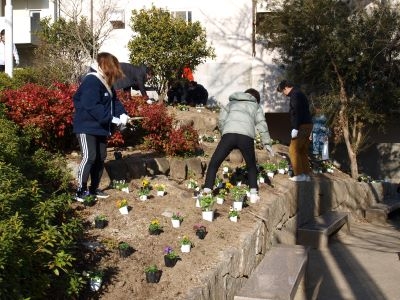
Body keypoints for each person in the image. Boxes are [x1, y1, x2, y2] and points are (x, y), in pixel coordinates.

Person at [73, 52, 130, 201]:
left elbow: (114, 102)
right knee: (89, 156)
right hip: (86, 127)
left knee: (100, 157)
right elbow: (92, 106)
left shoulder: (106, 83)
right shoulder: (91, 81)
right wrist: (111, 119)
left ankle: (94, 188)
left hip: (100, 127)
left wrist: (123, 114)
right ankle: (80, 190)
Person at [202, 88, 273, 199]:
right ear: (256, 99)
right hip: (246, 137)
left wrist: (224, 132)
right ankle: (254, 194)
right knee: (251, 165)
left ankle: (207, 191)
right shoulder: (255, 106)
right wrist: (267, 143)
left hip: (229, 135)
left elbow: (221, 120)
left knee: (214, 162)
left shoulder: (231, 103)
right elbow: (261, 124)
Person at [277, 80, 313, 182]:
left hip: (301, 126)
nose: (283, 94)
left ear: (286, 88)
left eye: (282, 91)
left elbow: (297, 111)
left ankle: (299, 174)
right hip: (308, 124)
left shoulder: (295, 95)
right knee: (302, 151)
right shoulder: (300, 93)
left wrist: (296, 128)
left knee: (293, 150)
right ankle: (306, 175)